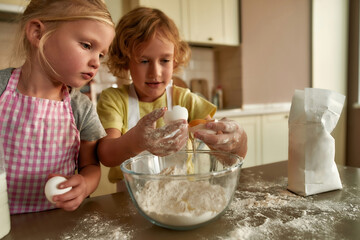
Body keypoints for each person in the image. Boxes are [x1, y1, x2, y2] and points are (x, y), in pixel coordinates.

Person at [96, 7, 247, 190]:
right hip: (130, 198)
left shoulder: (185, 100)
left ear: (174, 60)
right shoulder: (114, 100)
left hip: (182, 194)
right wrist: (136, 140)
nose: (155, 72)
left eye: (165, 60)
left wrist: (238, 142)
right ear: (125, 60)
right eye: (144, 61)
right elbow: (106, 154)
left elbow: (226, 155)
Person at [0, 0, 115, 214]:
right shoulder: (1, 88)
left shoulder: (81, 107)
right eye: (87, 46)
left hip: (56, 220)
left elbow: (90, 166)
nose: (96, 62)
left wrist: (84, 185)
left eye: (101, 55)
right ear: (37, 34)